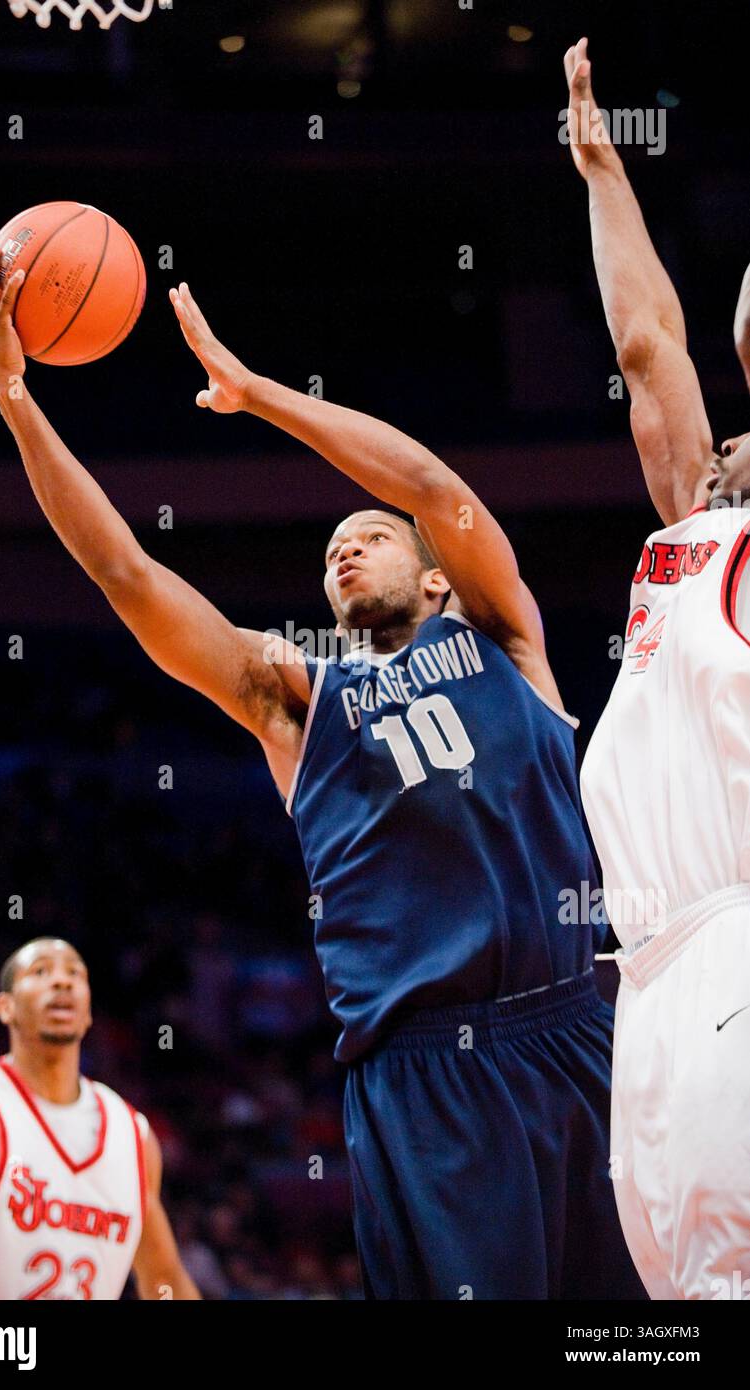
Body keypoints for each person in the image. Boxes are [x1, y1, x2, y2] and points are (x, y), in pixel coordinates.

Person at [0, 240, 644, 1299]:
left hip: (575, 1023)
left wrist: (256, 394)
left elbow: (430, 486)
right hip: (429, 1072)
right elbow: (126, 573)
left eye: (368, 536)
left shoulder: (505, 638)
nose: (344, 551)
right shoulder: (295, 699)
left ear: (433, 578)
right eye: (330, 552)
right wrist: (14, 397)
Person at [564, 36, 750, 1299]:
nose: (721, 442)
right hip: (652, 974)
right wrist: (600, 170)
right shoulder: (691, 529)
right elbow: (645, 346)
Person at [0, 936, 200, 1300]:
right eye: (40, 972)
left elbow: (163, 1279)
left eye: (74, 974)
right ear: (6, 1007)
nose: (61, 981)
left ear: (88, 1012)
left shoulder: (133, 1138)